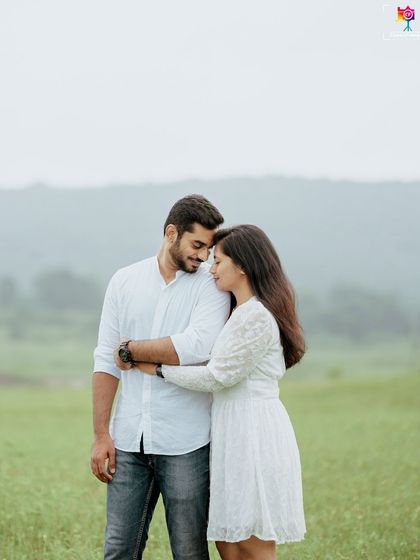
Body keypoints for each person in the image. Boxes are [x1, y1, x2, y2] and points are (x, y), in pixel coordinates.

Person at [124, 225, 307, 560]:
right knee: (228, 541)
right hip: (230, 428)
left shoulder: (256, 316)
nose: (210, 268)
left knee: (251, 540)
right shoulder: (236, 311)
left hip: (253, 430)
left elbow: (216, 376)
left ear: (241, 266)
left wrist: (157, 368)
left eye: (218, 261)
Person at [91, 194, 230, 559]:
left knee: (189, 552)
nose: (204, 256)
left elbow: (197, 345)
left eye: (209, 247)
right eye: (197, 244)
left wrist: (131, 351)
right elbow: (106, 359)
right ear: (172, 233)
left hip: (186, 442)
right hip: (127, 441)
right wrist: (101, 434)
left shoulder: (211, 286)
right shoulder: (124, 281)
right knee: (119, 549)